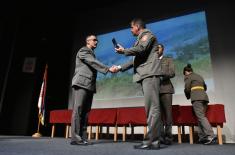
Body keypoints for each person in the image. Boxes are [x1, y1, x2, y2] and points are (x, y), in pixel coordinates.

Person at [114, 18, 162, 150]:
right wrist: (119, 68)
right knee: (151, 109)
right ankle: (154, 141)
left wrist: (124, 51)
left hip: (150, 74)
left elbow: (140, 49)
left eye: (131, 27)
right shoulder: (140, 39)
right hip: (146, 75)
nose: (130, 30)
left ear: (137, 26)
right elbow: (134, 60)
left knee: (153, 109)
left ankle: (151, 141)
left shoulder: (147, 35)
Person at [71, 35, 116, 145]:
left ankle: (82, 137)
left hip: (89, 85)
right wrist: (108, 68)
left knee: (85, 113)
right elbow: (92, 62)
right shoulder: (84, 50)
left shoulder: (91, 53)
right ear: (87, 41)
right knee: (78, 110)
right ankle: (76, 138)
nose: (96, 42)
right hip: (81, 84)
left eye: (97, 40)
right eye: (94, 40)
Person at [183, 64, 216, 145]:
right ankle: (202, 137)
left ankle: (210, 135)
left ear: (186, 72)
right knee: (200, 117)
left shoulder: (188, 76)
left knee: (201, 117)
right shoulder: (199, 76)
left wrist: (188, 95)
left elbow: (187, 88)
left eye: (184, 74)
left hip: (196, 98)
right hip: (204, 98)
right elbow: (205, 87)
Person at [157, 44, 175, 145]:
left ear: (163, 49)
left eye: (158, 47)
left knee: (168, 115)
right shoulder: (152, 61)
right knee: (158, 116)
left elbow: (172, 73)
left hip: (166, 89)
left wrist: (160, 74)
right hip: (155, 90)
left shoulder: (168, 60)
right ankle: (161, 137)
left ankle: (169, 137)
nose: (157, 49)